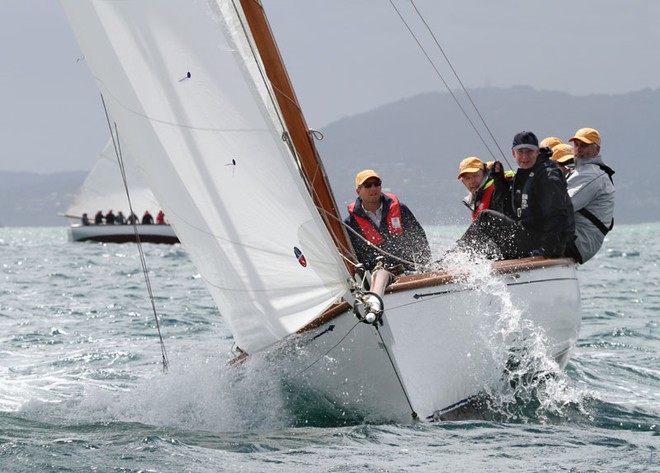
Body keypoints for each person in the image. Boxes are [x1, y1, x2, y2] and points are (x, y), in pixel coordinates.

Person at [453, 131, 575, 260]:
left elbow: (557, 214)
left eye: (529, 152)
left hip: (545, 244)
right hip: (530, 236)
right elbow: (511, 213)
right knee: (490, 249)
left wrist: (546, 251)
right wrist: (499, 182)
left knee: (486, 217)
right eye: (520, 152)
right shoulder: (525, 174)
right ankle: (459, 261)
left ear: (537, 152)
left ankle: (454, 259)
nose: (524, 156)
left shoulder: (548, 176)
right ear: (513, 153)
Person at [345, 169, 431, 272]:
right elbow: (350, 256)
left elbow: (419, 237)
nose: (373, 188)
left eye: (377, 184)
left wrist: (425, 267)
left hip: (407, 272)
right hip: (374, 279)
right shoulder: (350, 224)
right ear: (358, 191)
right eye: (368, 185)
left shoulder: (400, 209)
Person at [564, 128, 615, 264]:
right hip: (575, 240)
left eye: (584, 145)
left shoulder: (592, 176)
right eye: (576, 144)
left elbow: (562, 206)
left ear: (596, 150)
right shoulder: (581, 171)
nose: (579, 149)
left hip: (578, 244)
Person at [457, 156, 514, 221]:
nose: (472, 181)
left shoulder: (497, 188)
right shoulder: (475, 198)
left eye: (476, 176)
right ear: (463, 182)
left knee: (484, 215)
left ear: (485, 174)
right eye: (467, 178)